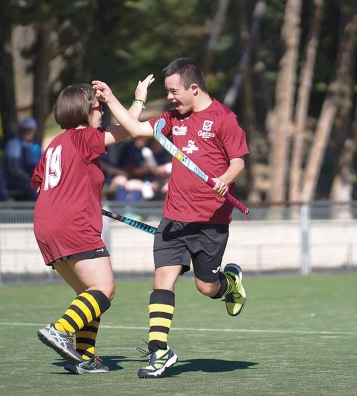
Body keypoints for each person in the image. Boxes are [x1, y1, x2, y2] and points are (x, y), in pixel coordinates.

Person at [93, 57, 249, 378]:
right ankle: (159, 352)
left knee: (206, 288)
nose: (171, 98)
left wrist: (225, 178)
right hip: (174, 219)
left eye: (174, 91)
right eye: (167, 92)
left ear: (194, 87)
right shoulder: (171, 120)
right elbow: (135, 128)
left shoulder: (224, 118)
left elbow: (238, 162)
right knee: (162, 281)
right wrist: (111, 100)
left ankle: (229, 282)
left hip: (211, 221)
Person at [32, 74, 155, 375]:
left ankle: (84, 357)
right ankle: (60, 330)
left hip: (46, 225)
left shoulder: (54, 146)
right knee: (104, 289)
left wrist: (76, 195)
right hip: (72, 224)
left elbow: (40, 186)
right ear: (84, 112)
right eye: (97, 107)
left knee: (90, 295)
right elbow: (127, 129)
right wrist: (137, 100)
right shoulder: (83, 137)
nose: (101, 111)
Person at [4, 117, 42, 200]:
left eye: (30, 130)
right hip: (16, 180)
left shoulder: (35, 146)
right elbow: (13, 169)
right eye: (25, 130)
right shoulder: (14, 144)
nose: (27, 133)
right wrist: (28, 178)